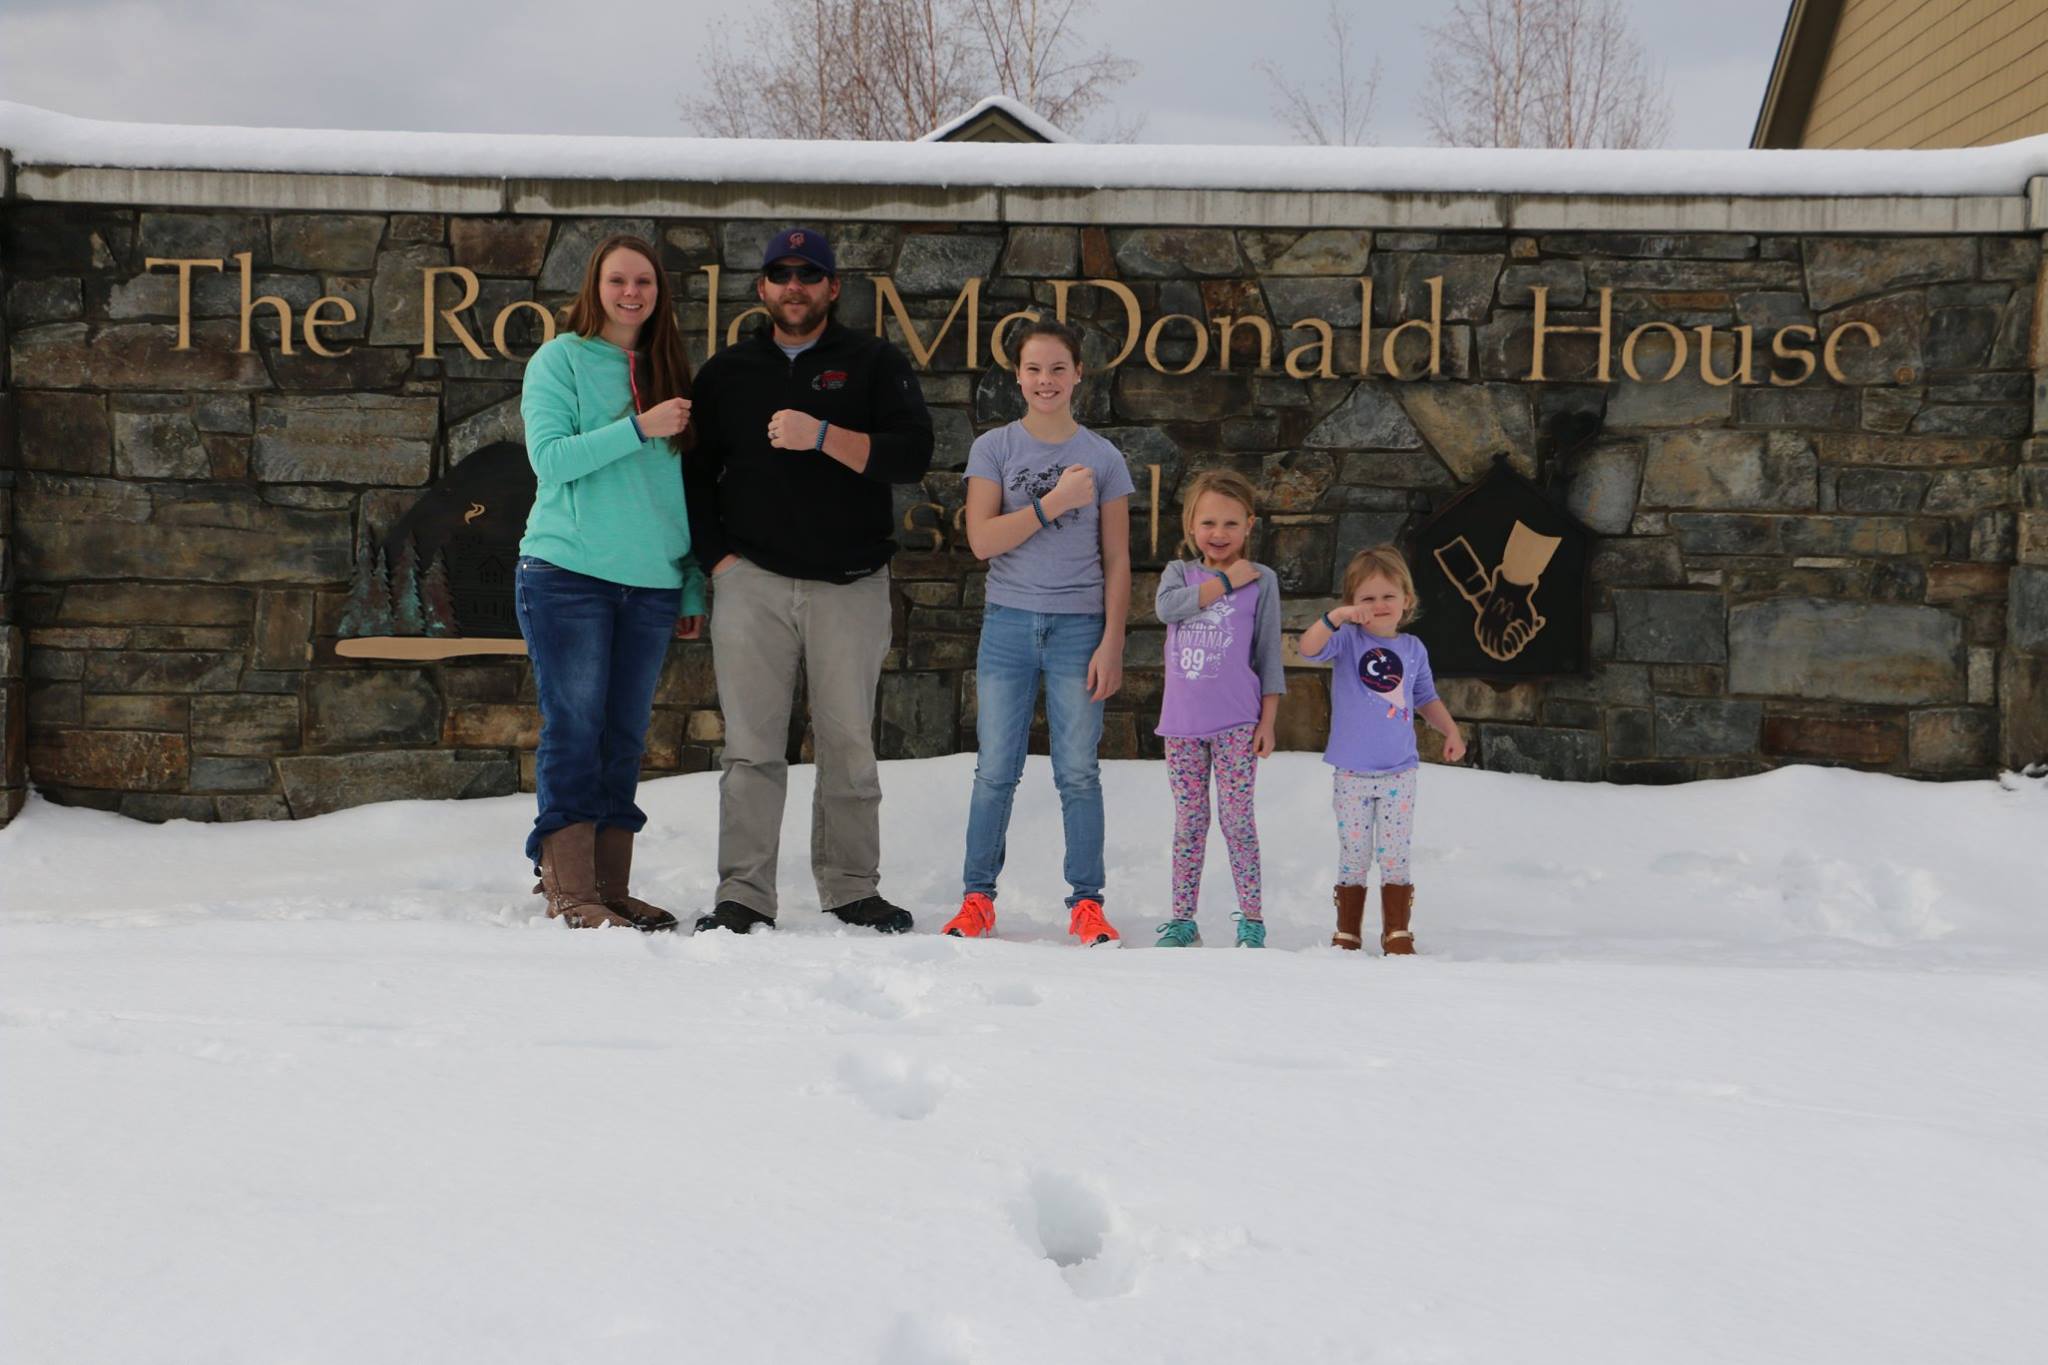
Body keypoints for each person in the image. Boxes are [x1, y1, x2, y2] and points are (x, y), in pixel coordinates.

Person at [685, 227, 934, 935]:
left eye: (808, 273)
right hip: (753, 583)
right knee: (750, 748)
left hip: (849, 584)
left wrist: (822, 434)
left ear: (833, 287)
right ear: (762, 288)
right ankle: (743, 895)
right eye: (780, 273)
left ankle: (853, 887)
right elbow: (696, 476)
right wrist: (718, 562)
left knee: (849, 743)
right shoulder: (728, 372)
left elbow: (911, 453)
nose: (794, 285)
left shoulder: (874, 362)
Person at [516, 233, 703, 932]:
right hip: (567, 574)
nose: (632, 293)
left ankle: (608, 886)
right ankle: (568, 886)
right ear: (595, 286)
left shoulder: (670, 370)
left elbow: (681, 491)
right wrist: (638, 426)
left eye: (645, 283)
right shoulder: (558, 360)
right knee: (574, 727)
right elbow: (551, 459)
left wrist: (686, 586)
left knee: (624, 735)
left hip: (649, 586)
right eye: (619, 280)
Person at [940, 318, 1132, 947]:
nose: (1045, 380)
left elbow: (1118, 560)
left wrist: (1113, 641)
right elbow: (980, 540)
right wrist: (1054, 502)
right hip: (1009, 625)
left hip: (1079, 629)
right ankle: (976, 900)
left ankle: (1086, 904)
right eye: (1033, 369)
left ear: (1079, 374)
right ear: (1017, 376)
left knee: (1078, 771)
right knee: (996, 768)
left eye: (1057, 368)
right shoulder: (995, 448)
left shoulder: (1103, 458)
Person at [1295, 546, 1466, 954]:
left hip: (1398, 773)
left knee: (1394, 852)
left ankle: (1397, 931)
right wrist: (1335, 619)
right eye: (1367, 598)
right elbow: (1308, 648)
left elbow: (1425, 696)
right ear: (1354, 605)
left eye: (1388, 596)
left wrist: (1450, 730)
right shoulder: (1347, 640)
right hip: (1352, 773)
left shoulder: (1413, 649)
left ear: (1407, 600)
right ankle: (1348, 930)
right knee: (1354, 851)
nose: (1379, 605)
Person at [1151, 470, 1285, 949]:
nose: (1219, 533)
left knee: (1237, 821)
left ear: (1249, 525)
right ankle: (1183, 920)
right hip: (1183, 726)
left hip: (1237, 723)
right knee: (1189, 823)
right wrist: (1226, 581)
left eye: (1230, 523)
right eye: (1208, 522)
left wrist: (1268, 721)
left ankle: (1251, 918)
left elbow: (1268, 653)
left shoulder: (1262, 580)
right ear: (1191, 525)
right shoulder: (1178, 574)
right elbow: (1168, 610)